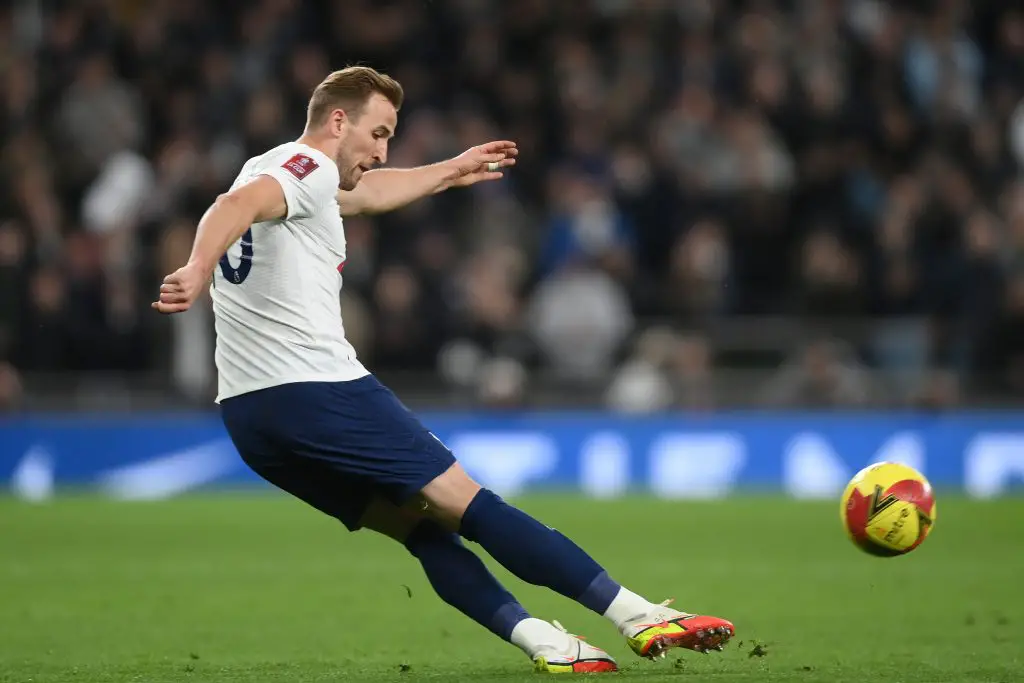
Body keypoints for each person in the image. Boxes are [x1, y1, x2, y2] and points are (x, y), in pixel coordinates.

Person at [152, 66, 734, 673]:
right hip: (318, 390)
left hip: (251, 419)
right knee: (472, 505)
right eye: (377, 135)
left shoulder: (278, 170)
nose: (381, 153)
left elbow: (367, 195)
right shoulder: (310, 165)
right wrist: (196, 267)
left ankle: (544, 641)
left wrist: (450, 171)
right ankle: (636, 615)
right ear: (338, 121)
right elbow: (233, 206)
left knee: (422, 532)